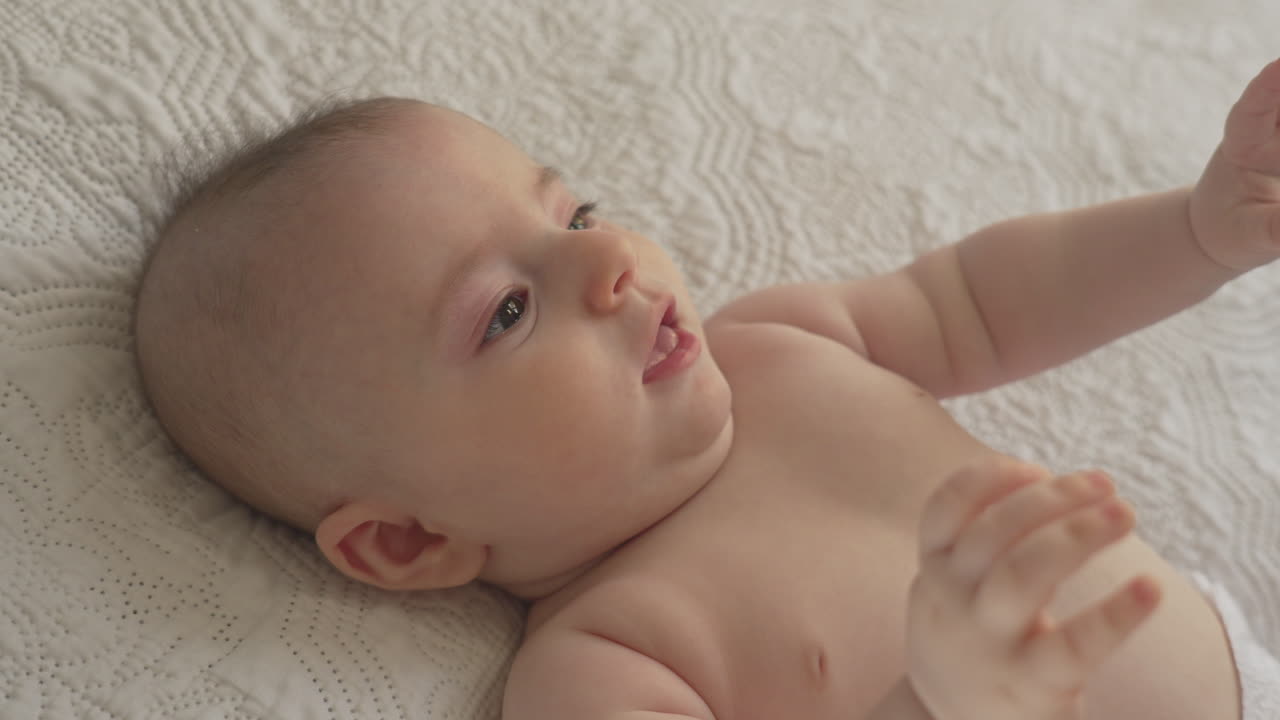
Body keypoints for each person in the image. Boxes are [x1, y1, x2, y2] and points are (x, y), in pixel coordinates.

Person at [133, 58, 1280, 720]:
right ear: (404, 543)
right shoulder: (608, 662)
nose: (609, 258)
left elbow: (987, 300)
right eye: (508, 311)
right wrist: (936, 698)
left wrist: (1195, 231)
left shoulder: (779, 343)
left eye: (571, 213)